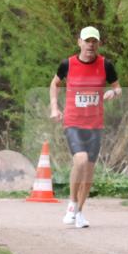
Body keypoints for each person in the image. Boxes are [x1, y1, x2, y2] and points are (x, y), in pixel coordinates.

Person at [49, 26, 121, 228]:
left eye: (94, 41)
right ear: (79, 42)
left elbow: (118, 87)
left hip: (95, 123)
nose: (90, 44)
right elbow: (54, 84)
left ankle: (80, 212)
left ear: (98, 44)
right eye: (87, 40)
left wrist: (113, 93)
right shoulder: (68, 64)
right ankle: (71, 203)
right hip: (73, 121)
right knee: (80, 160)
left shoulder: (106, 65)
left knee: (89, 169)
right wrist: (54, 106)